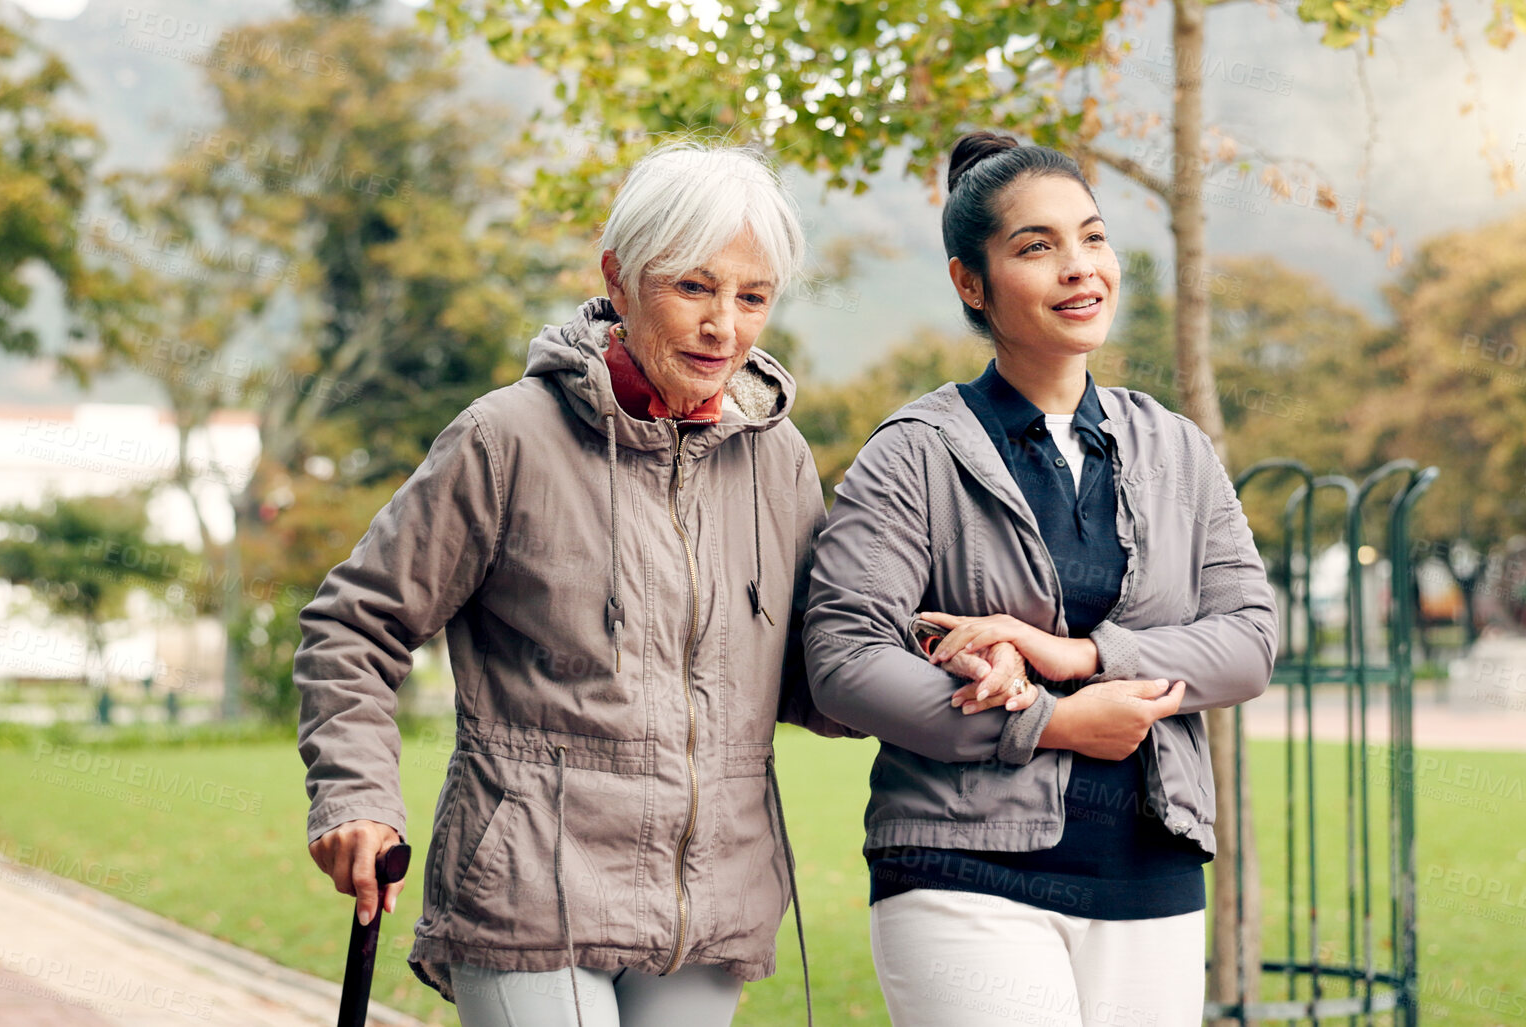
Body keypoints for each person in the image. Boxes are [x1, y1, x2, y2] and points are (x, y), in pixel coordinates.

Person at [294, 141, 954, 1027]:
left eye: (751, 297)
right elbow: (354, 624)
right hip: (532, 887)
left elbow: (811, 668)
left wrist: (939, 652)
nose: (724, 325)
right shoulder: (505, 439)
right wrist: (356, 797)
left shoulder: (779, 459)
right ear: (620, 274)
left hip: (713, 899)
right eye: (693, 287)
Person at [803, 131, 1280, 1027]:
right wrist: (1049, 723)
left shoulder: (1178, 449)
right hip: (960, 868)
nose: (1078, 268)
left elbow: (1250, 640)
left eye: (1092, 238)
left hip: (1150, 866)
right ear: (969, 284)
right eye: (1037, 246)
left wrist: (1073, 656)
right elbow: (842, 656)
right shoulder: (911, 454)